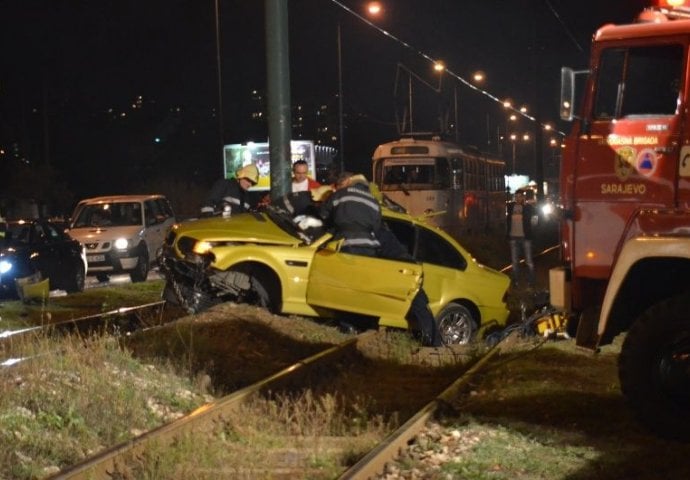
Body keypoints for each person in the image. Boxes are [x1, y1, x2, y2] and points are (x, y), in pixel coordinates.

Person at [319, 172, 381, 256]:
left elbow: (323, 214)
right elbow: (377, 228)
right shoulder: (374, 201)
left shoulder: (340, 194)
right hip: (369, 247)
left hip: (346, 243)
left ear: (350, 183)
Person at [506, 189, 536, 287]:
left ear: (523, 197)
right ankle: (515, 282)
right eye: (516, 196)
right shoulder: (510, 207)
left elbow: (534, 220)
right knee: (515, 262)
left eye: (520, 196)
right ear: (514, 197)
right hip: (513, 237)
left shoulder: (528, 207)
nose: (518, 198)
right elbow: (507, 221)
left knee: (529, 261)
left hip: (525, 237)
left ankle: (530, 282)